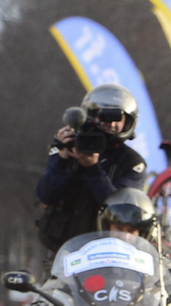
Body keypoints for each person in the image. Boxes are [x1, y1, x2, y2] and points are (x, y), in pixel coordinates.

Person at [36, 84, 148, 258]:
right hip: (61, 250)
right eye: (104, 117)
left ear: (128, 122)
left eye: (117, 118)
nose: (111, 124)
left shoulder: (132, 163)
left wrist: (92, 168)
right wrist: (61, 160)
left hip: (106, 253)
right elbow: (46, 195)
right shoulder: (69, 146)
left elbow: (118, 210)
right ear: (90, 117)